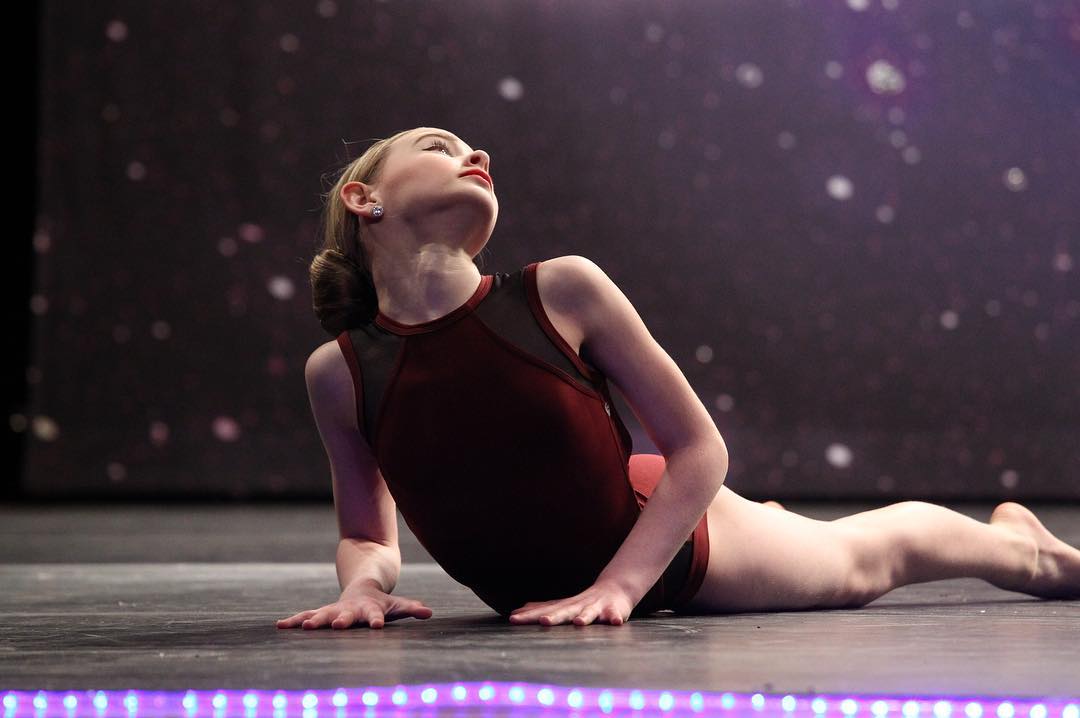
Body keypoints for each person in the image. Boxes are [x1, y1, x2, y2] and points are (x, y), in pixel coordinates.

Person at [277, 127, 1080, 630]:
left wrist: (622, 586)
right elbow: (368, 536)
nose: (476, 155)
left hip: (666, 546)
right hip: (579, 569)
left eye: (474, 149)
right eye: (440, 147)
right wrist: (364, 589)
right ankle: (769, 523)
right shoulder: (340, 374)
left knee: (864, 562)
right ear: (364, 198)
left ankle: (1029, 552)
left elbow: (701, 449)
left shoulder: (561, 291)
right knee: (813, 543)